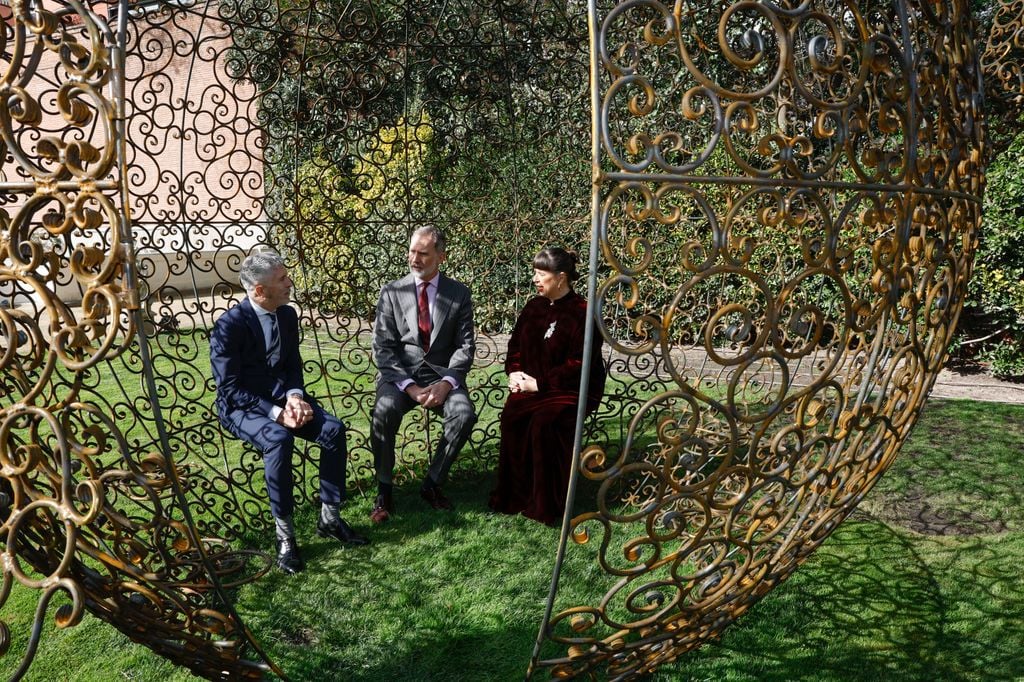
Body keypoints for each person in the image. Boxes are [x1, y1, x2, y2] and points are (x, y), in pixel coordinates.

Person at [210, 251, 368, 575]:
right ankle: (286, 538)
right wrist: (276, 413)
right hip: (241, 406)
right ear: (259, 291)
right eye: (282, 279)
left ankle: (330, 519)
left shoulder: (286, 315)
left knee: (334, 430)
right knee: (279, 439)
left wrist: (295, 397)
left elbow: (292, 364)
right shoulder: (229, 326)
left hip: (283, 398)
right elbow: (229, 388)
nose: (290, 283)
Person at [488, 247, 605, 526]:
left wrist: (540, 384)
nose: (535, 279)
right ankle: (515, 495)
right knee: (513, 418)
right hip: (529, 387)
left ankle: (546, 504)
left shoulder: (583, 313)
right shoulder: (533, 306)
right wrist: (515, 372)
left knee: (544, 424)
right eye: (535, 273)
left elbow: (580, 363)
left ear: (561, 278)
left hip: (569, 390)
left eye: (541, 274)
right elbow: (515, 344)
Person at [369, 226, 478, 523]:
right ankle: (384, 489)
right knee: (384, 410)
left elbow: (465, 345)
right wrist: (410, 387)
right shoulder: (392, 292)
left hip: (442, 376)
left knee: (464, 413)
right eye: (412, 251)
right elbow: (382, 347)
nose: (414, 258)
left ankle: (432, 484)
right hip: (401, 376)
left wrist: (447, 383)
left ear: (440, 257)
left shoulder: (459, 293)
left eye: (423, 253)